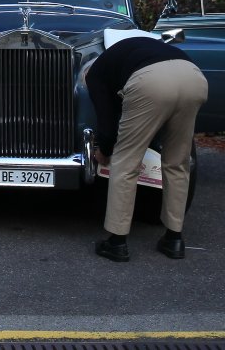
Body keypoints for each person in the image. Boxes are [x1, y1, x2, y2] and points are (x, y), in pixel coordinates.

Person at [85, 30, 209, 262]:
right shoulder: (135, 48)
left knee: (126, 162)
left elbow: (107, 123)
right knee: (177, 162)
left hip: (151, 82)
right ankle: (174, 239)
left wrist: (104, 152)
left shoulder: (94, 74)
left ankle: (116, 242)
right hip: (193, 77)